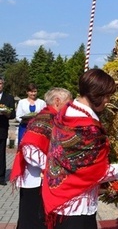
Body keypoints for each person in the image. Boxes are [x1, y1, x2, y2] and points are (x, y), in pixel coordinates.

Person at [41, 69, 118, 229]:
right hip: (77, 208)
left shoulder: (66, 112)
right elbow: (97, 172)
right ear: (96, 95)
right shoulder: (88, 127)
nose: (108, 101)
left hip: (58, 198)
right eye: (106, 96)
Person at [10, 88, 72, 229]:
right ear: (57, 101)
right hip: (35, 180)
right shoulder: (44, 118)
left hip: (44, 178)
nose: (70, 106)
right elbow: (29, 149)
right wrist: (52, 166)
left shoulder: (53, 117)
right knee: (32, 220)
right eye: (68, 102)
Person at [0, 78, 15, 186]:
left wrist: (7, 113)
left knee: (1, 154)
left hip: (2, 129)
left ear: (3, 85)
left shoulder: (9, 98)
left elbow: (13, 115)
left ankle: (1, 177)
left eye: (0, 83)